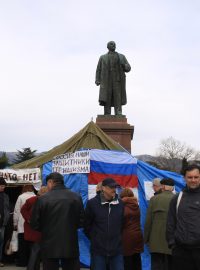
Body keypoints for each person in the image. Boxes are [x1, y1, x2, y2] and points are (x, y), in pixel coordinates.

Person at [30, 172, 84, 270]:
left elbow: (34, 223)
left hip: (49, 244)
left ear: (50, 182)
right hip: (70, 243)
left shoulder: (42, 199)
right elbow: (82, 221)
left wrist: (46, 229)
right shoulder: (76, 197)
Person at [84, 178, 124, 270]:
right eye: (111, 187)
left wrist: (117, 238)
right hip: (98, 251)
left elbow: (122, 224)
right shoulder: (92, 203)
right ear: (104, 188)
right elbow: (87, 225)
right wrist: (95, 238)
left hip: (116, 250)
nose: (114, 189)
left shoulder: (120, 204)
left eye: (115, 187)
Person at [166, 164, 200, 270]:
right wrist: (172, 243)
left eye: (196, 177)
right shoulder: (177, 198)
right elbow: (170, 222)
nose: (193, 180)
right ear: (184, 178)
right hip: (181, 251)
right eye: (190, 177)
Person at [144, 178, 175, 270]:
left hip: (156, 242)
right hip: (173, 242)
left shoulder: (154, 199)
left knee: (157, 265)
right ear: (172, 188)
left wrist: (146, 239)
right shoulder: (178, 198)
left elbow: (148, 221)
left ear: (163, 186)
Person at [95, 41, 131, 116]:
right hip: (106, 80)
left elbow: (128, 68)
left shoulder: (121, 56)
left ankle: (118, 112)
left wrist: (124, 65)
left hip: (117, 80)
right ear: (108, 47)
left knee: (117, 96)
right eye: (111, 44)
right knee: (107, 96)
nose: (113, 45)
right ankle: (107, 113)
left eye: (114, 44)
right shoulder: (102, 57)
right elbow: (98, 69)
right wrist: (97, 79)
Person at [21, 186, 48, 270]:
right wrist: (29, 219)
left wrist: (29, 219)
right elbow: (23, 210)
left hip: (36, 230)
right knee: (35, 252)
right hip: (35, 231)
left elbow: (23, 210)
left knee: (36, 252)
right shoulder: (33, 200)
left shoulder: (34, 200)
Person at [120, 188, 143, 270]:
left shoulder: (122, 207)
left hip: (127, 236)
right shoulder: (136, 205)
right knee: (137, 258)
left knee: (127, 260)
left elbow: (121, 223)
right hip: (137, 234)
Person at [13, 184, 36, 267]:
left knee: (22, 246)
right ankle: (32, 263)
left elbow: (17, 211)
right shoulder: (36, 197)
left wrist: (15, 223)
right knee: (32, 246)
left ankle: (22, 262)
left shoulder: (21, 197)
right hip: (32, 226)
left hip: (21, 225)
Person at [0, 177, 10, 267]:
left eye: (4, 186)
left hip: (2, 223)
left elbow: (7, 209)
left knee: (1, 242)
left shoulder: (6, 196)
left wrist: (6, 218)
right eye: (1, 186)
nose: (3, 187)